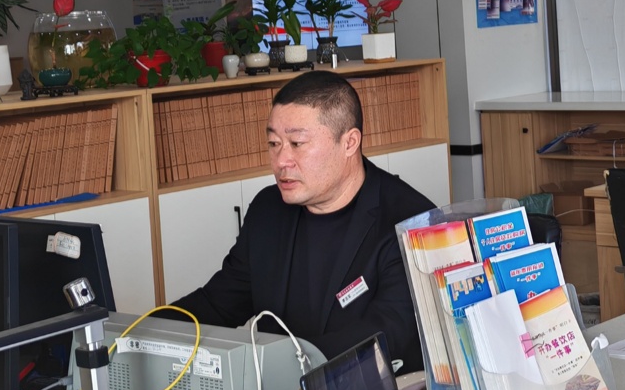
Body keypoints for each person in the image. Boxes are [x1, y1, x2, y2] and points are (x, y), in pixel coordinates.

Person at [172, 70, 435, 370]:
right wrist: (139, 333)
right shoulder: (268, 210)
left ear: (349, 142)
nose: (281, 161)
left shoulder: (411, 223)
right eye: (274, 143)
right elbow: (217, 305)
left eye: (296, 143)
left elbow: (386, 337)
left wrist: (273, 367)